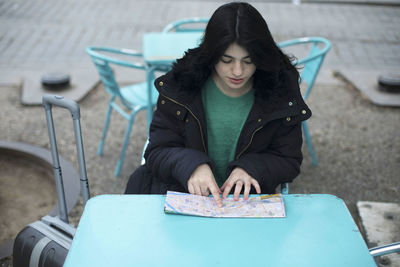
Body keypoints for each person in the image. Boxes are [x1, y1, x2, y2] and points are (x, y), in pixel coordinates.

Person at [125, 2, 311, 207]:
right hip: (182, 195)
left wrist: (252, 168)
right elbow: (156, 152)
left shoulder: (280, 90)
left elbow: (288, 160)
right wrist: (192, 166)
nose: (238, 71)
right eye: (226, 60)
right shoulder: (182, 84)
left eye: (248, 61)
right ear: (212, 55)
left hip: (245, 204)